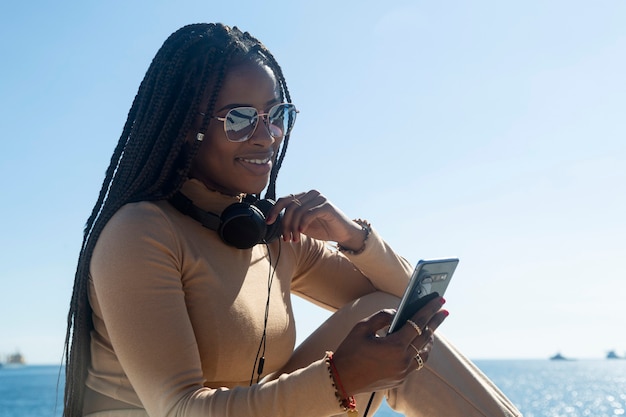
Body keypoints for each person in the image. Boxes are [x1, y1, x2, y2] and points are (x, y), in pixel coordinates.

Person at [63, 23, 522, 417]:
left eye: (276, 115)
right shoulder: (139, 233)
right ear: (187, 126)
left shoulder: (270, 231)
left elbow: (408, 304)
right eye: (240, 119)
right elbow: (179, 408)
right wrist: (340, 378)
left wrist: (354, 236)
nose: (267, 137)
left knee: (385, 321)